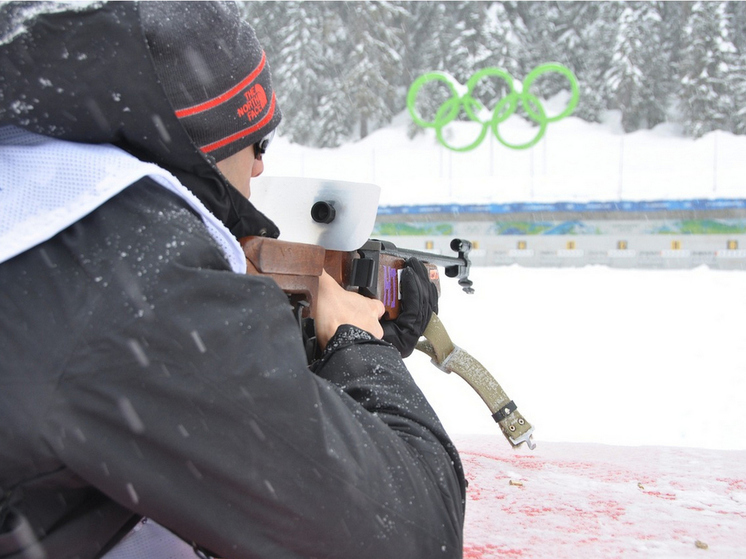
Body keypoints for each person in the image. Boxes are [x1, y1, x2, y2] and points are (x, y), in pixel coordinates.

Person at [0, 2, 466, 559]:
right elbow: (413, 533)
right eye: (259, 143)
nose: (263, 168)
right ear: (202, 144)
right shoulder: (131, 280)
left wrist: (311, 354)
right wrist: (361, 350)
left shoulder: (41, 208)